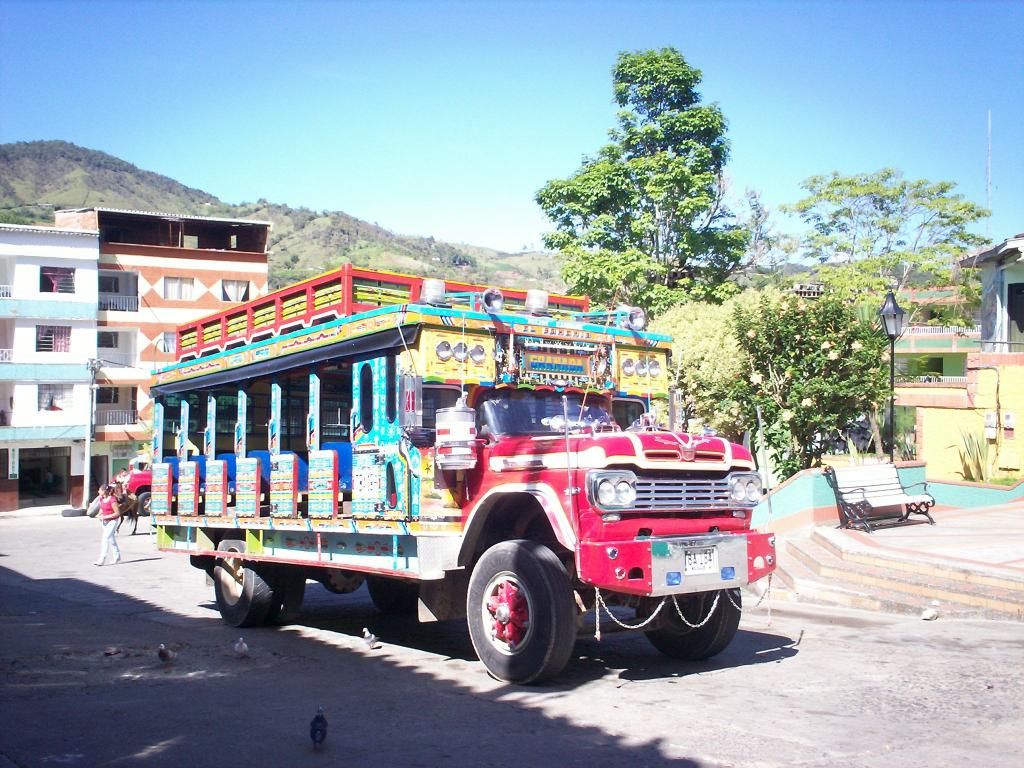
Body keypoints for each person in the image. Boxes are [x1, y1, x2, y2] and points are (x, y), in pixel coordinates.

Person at [94, 484, 122, 566]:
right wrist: (99, 515)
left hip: (112, 521)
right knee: (111, 539)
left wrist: (105, 516)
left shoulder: (112, 500)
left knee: (105, 538)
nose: (98, 491)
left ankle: (102, 559)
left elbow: (117, 513)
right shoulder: (102, 499)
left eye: (99, 490)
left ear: (104, 491)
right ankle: (117, 556)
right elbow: (102, 508)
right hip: (104, 522)